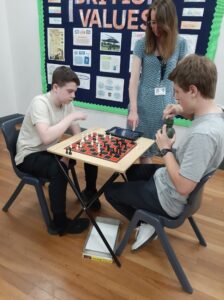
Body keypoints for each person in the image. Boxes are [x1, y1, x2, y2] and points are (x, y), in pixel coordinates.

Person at [105, 54, 224, 251]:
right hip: (169, 180)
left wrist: (165, 149)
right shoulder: (217, 113)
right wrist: (180, 108)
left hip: (170, 198)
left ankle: (147, 222)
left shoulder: (203, 135)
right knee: (131, 171)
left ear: (193, 90)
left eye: (178, 93)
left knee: (110, 191)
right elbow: (199, 109)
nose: (175, 98)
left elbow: (184, 187)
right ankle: (144, 210)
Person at [15, 66, 100, 235]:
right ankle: (59, 224)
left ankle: (90, 193)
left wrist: (89, 146)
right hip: (29, 154)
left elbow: (77, 136)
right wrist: (71, 118)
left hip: (50, 149)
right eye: (70, 91)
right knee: (59, 170)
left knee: (89, 153)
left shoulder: (67, 102)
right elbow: (46, 137)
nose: (73, 96)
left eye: (74, 92)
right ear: (55, 88)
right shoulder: (40, 103)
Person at [128, 0, 188, 163]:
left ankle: (152, 184)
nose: (155, 28)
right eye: (152, 22)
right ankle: (142, 182)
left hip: (165, 107)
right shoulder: (142, 44)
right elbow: (134, 80)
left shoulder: (180, 44)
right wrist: (133, 110)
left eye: (159, 23)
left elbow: (181, 80)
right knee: (142, 152)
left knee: (163, 148)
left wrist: (179, 105)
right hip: (142, 107)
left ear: (169, 21)